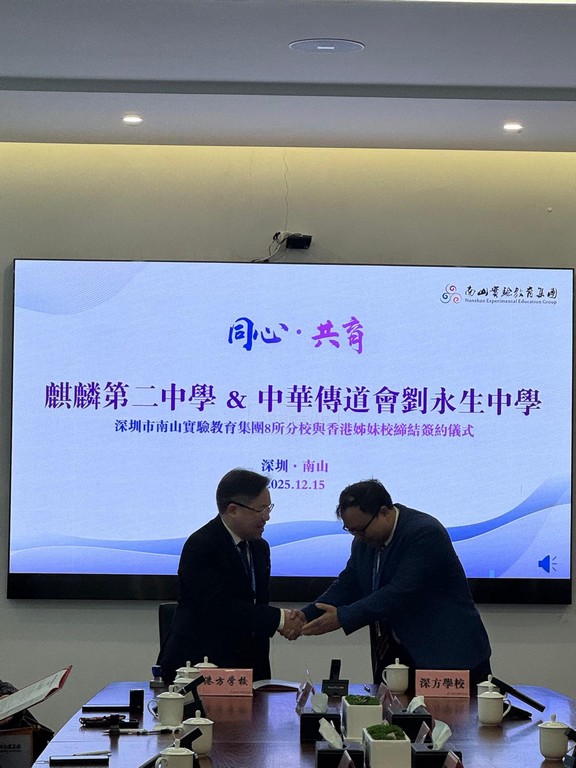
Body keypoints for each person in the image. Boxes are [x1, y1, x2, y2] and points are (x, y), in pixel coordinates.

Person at [298, 479, 492, 687]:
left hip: (447, 656)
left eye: (361, 530)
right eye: (351, 531)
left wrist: (342, 617)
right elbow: (348, 584)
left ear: (383, 512)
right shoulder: (365, 541)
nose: (358, 537)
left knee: (453, 711)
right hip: (396, 658)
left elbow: (400, 592)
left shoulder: (424, 532)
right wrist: (305, 615)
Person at [157, 468, 300, 683]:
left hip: (249, 669)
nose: (267, 517)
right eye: (261, 509)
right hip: (200, 668)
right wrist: (280, 619)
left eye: (268, 508)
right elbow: (218, 607)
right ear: (233, 510)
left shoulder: (260, 548)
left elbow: (257, 604)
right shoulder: (201, 545)